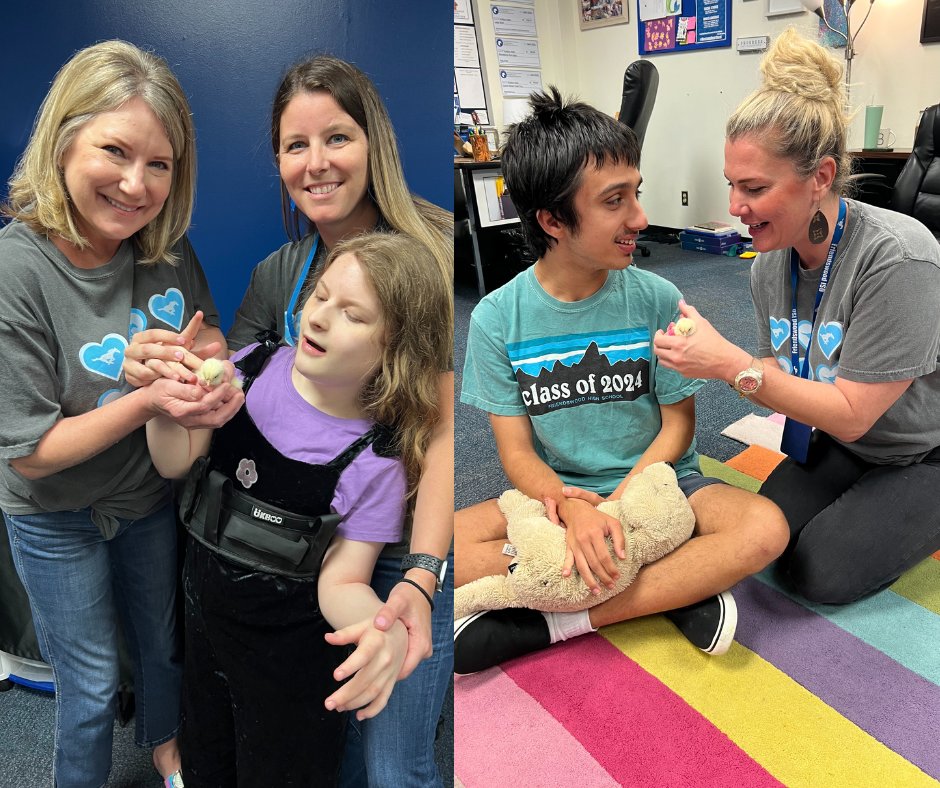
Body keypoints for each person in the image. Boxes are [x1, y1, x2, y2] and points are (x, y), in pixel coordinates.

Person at [125, 53, 455, 786]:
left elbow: (440, 432)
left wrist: (421, 580)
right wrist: (174, 383)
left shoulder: (436, 253)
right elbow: (212, 402)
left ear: (375, 143)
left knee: (388, 762)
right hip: (263, 570)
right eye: (294, 145)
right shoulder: (281, 275)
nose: (316, 163)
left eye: (336, 137)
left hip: (396, 523)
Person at [453, 87, 789, 675]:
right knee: (427, 542)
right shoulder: (494, 319)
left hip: (660, 485)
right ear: (552, 220)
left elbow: (679, 426)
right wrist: (570, 507)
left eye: (638, 193)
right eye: (615, 201)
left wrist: (616, 507)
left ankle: (564, 615)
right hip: (556, 496)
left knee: (764, 529)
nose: (640, 218)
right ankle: (672, 586)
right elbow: (514, 453)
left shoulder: (658, 297)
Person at [0, 40, 242, 788]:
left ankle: (171, 753)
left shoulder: (165, 251)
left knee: (165, 644)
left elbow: (211, 335)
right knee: (93, 680)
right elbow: (30, 452)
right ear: (64, 139)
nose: (137, 185)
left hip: (146, 498)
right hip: (53, 511)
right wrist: (145, 397)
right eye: (115, 150)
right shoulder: (17, 268)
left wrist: (213, 372)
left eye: (160, 164)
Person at [653, 28, 940, 604]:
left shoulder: (899, 258)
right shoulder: (769, 264)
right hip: (843, 441)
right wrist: (736, 365)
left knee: (818, 573)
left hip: (919, 448)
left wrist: (729, 366)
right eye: (732, 185)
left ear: (822, 178)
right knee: (764, 539)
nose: (735, 207)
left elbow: (855, 413)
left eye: (754, 187)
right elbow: (777, 368)